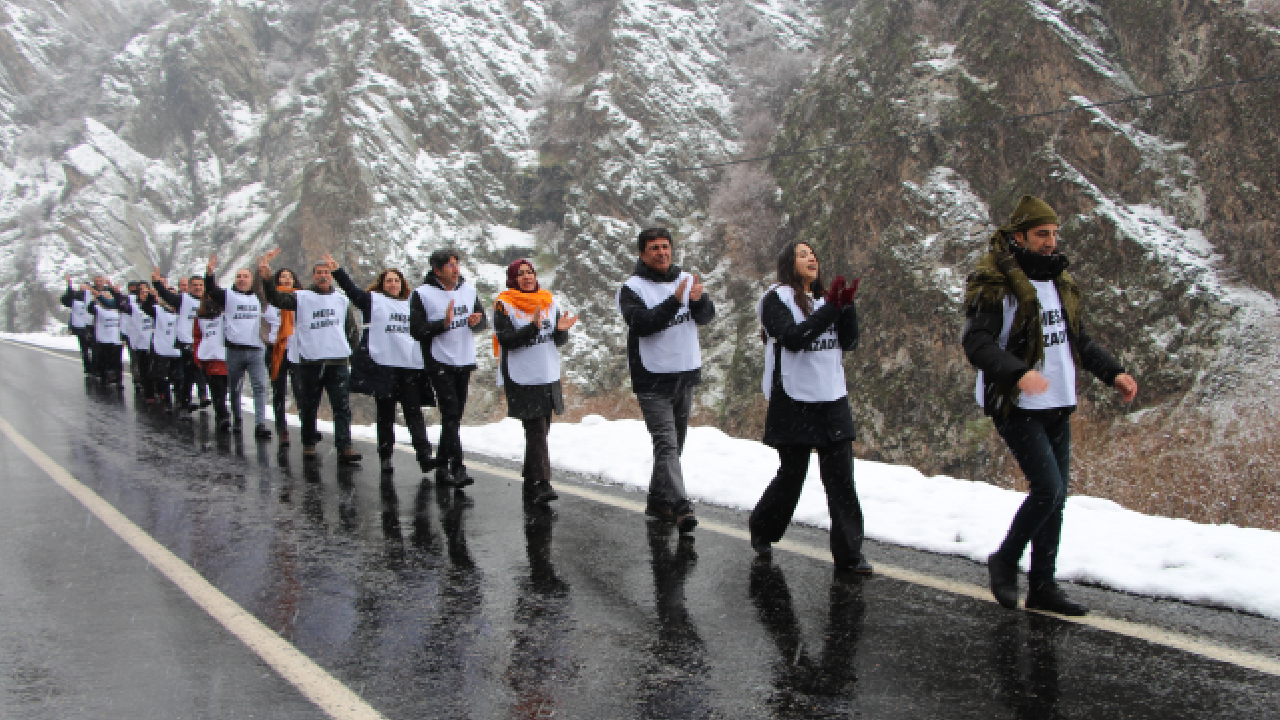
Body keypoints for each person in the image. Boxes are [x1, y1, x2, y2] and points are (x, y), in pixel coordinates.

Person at [963, 195, 1139, 616]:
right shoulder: (995, 284)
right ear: (1019, 235)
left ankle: (1042, 585)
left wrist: (1114, 373)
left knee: (1056, 499)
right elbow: (977, 343)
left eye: (1054, 234)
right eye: (1042, 234)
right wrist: (1018, 372)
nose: (1050, 242)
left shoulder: (1059, 281)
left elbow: (1079, 339)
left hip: (1059, 402)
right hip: (1017, 404)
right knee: (1048, 489)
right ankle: (1005, 560)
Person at [749, 242, 871, 575]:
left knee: (842, 480)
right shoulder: (776, 299)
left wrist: (847, 308)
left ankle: (849, 555)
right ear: (789, 264)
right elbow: (794, 337)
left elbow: (849, 342)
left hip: (832, 398)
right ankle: (763, 528)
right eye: (803, 255)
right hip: (794, 398)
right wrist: (833, 307)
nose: (811, 258)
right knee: (793, 476)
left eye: (814, 254)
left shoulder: (824, 300)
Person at [616, 227, 715, 533]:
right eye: (654, 248)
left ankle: (658, 501)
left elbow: (706, 316)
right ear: (643, 254)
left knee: (675, 445)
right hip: (652, 378)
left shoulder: (686, 279)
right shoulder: (631, 288)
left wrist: (697, 301)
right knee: (667, 444)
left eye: (665, 247)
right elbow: (642, 324)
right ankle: (681, 506)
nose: (661, 252)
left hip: (684, 373)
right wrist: (674, 300)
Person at [330, 254, 437, 476]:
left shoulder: (412, 304)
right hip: (383, 365)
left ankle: (424, 455)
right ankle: (386, 456)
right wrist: (338, 272)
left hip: (408, 366)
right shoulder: (372, 301)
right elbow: (352, 291)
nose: (393, 284)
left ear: (402, 284)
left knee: (413, 411)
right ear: (382, 284)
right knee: (385, 413)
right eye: (388, 280)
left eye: (396, 280)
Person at [260, 248, 363, 464]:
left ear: (331, 275)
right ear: (313, 276)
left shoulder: (341, 300)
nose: (322, 275)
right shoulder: (301, 297)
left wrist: (354, 358)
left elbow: (351, 330)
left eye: (326, 271)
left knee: (341, 406)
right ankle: (308, 443)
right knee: (309, 405)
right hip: (311, 360)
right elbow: (276, 299)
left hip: (337, 361)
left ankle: (345, 446)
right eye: (318, 272)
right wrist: (268, 279)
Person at [492, 258, 577, 505]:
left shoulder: (549, 301)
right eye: (520, 274)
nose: (527, 277)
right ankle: (543, 482)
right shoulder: (504, 305)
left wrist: (561, 331)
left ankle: (531, 481)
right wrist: (532, 327)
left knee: (541, 431)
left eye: (530, 272)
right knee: (536, 430)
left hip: (547, 374)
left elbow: (558, 341)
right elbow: (506, 339)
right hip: (522, 375)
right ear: (512, 279)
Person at [409, 249, 488, 487]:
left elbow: (482, 320)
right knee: (451, 413)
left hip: (464, 359)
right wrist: (442, 324)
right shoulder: (422, 294)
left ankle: (442, 465)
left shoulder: (468, 290)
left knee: (453, 417)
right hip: (439, 360)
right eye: (450, 266)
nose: (455, 269)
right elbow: (416, 330)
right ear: (437, 271)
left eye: (456, 265)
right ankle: (458, 467)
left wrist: (477, 321)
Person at [205, 256, 272, 439]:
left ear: (251, 280)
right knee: (234, 387)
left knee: (259, 387)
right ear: (235, 280)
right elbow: (211, 290)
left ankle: (260, 424)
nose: (242, 279)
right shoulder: (228, 296)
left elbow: (269, 289)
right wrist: (209, 274)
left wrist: (264, 269)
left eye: (245, 276)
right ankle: (237, 420)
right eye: (239, 276)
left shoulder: (259, 298)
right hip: (235, 349)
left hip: (256, 349)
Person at [151, 270, 210, 412]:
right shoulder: (183, 299)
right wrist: (157, 283)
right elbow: (167, 295)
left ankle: (203, 397)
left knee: (203, 373)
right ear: (189, 287)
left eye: (200, 285)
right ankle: (184, 404)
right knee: (188, 375)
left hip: (204, 343)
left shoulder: (208, 301)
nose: (198, 288)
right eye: (195, 285)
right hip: (187, 343)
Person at [263, 267, 298, 445]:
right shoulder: (271, 300)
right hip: (276, 350)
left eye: (289, 276)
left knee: (301, 390)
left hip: (297, 349)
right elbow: (262, 322)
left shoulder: (300, 297)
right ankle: (281, 427)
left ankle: (307, 426)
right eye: (283, 276)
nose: (286, 279)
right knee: (279, 390)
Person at [193, 289, 232, 431]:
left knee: (224, 388)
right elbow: (197, 337)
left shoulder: (225, 314)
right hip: (210, 357)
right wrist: (197, 356)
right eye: (208, 296)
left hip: (226, 357)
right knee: (217, 389)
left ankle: (221, 413)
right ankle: (223, 416)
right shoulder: (200, 316)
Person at [140, 285, 183, 410]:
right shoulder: (159, 310)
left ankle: (181, 400)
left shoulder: (183, 311)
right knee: (164, 377)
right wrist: (150, 297)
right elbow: (146, 308)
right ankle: (167, 402)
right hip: (163, 349)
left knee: (180, 377)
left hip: (178, 350)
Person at [86, 280, 128, 386]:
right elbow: (90, 309)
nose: (107, 299)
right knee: (104, 360)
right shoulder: (98, 309)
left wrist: (124, 338)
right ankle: (105, 378)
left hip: (116, 340)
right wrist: (95, 298)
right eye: (104, 297)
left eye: (108, 297)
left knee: (117, 361)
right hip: (103, 339)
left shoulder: (117, 309)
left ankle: (118, 380)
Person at [60, 276, 97, 373]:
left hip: (92, 326)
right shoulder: (75, 297)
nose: (84, 289)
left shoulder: (94, 297)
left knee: (93, 347)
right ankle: (88, 368)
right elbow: (65, 300)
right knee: (84, 348)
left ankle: (94, 367)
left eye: (86, 287)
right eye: (83, 287)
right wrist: (69, 286)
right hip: (80, 326)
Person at [131, 283, 157, 402]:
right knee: (144, 369)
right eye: (142, 292)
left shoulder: (156, 307)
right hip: (141, 343)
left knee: (155, 369)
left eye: (147, 292)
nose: (144, 294)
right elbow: (135, 325)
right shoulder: (135, 307)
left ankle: (156, 390)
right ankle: (149, 393)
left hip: (155, 342)